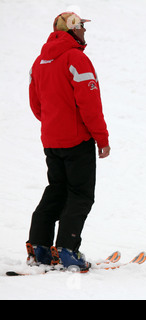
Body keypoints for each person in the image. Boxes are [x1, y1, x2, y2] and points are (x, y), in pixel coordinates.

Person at [27, 12, 110, 271]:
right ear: (72, 29)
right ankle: (67, 249)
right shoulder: (76, 58)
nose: (85, 30)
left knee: (56, 190)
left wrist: (53, 125)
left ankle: (39, 248)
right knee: (80, 195)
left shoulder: (39, 62)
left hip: (52, 140)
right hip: (76, 141)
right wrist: (101, 138)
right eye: (82, 26)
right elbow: (90, 104)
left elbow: (36, 104)